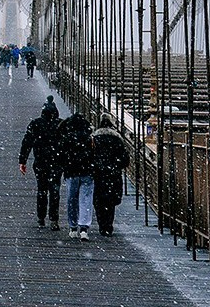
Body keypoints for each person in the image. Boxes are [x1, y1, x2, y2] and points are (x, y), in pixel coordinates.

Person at [17, 96, 62, 227]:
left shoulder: (36, 124)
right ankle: (54, 219)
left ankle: (41, 217)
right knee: (55, 191)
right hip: (56, 163)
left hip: (40, 162)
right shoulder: (61, 125)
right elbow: (66, 145)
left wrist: (22, 160)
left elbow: (27, 143)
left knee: (42, 190)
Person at [55, 109, 96, 238]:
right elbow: (94, 156)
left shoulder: (66, 139)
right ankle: (84, 227)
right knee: (86, 199)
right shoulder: (90, 139)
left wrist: (63, 168)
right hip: (87, 172)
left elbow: (61, 156)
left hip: (71, 173)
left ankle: (72, 227)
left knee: (71, 199)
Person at [91, 122, 130, 235]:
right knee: (110, 201)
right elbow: (124, 159)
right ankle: (108, 224)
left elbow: (90, 155)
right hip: (113, 174)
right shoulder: (117, 139)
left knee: (99, 200)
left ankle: (101, 224)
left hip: (98, 174)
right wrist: (117, 166)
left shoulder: (94, 138)